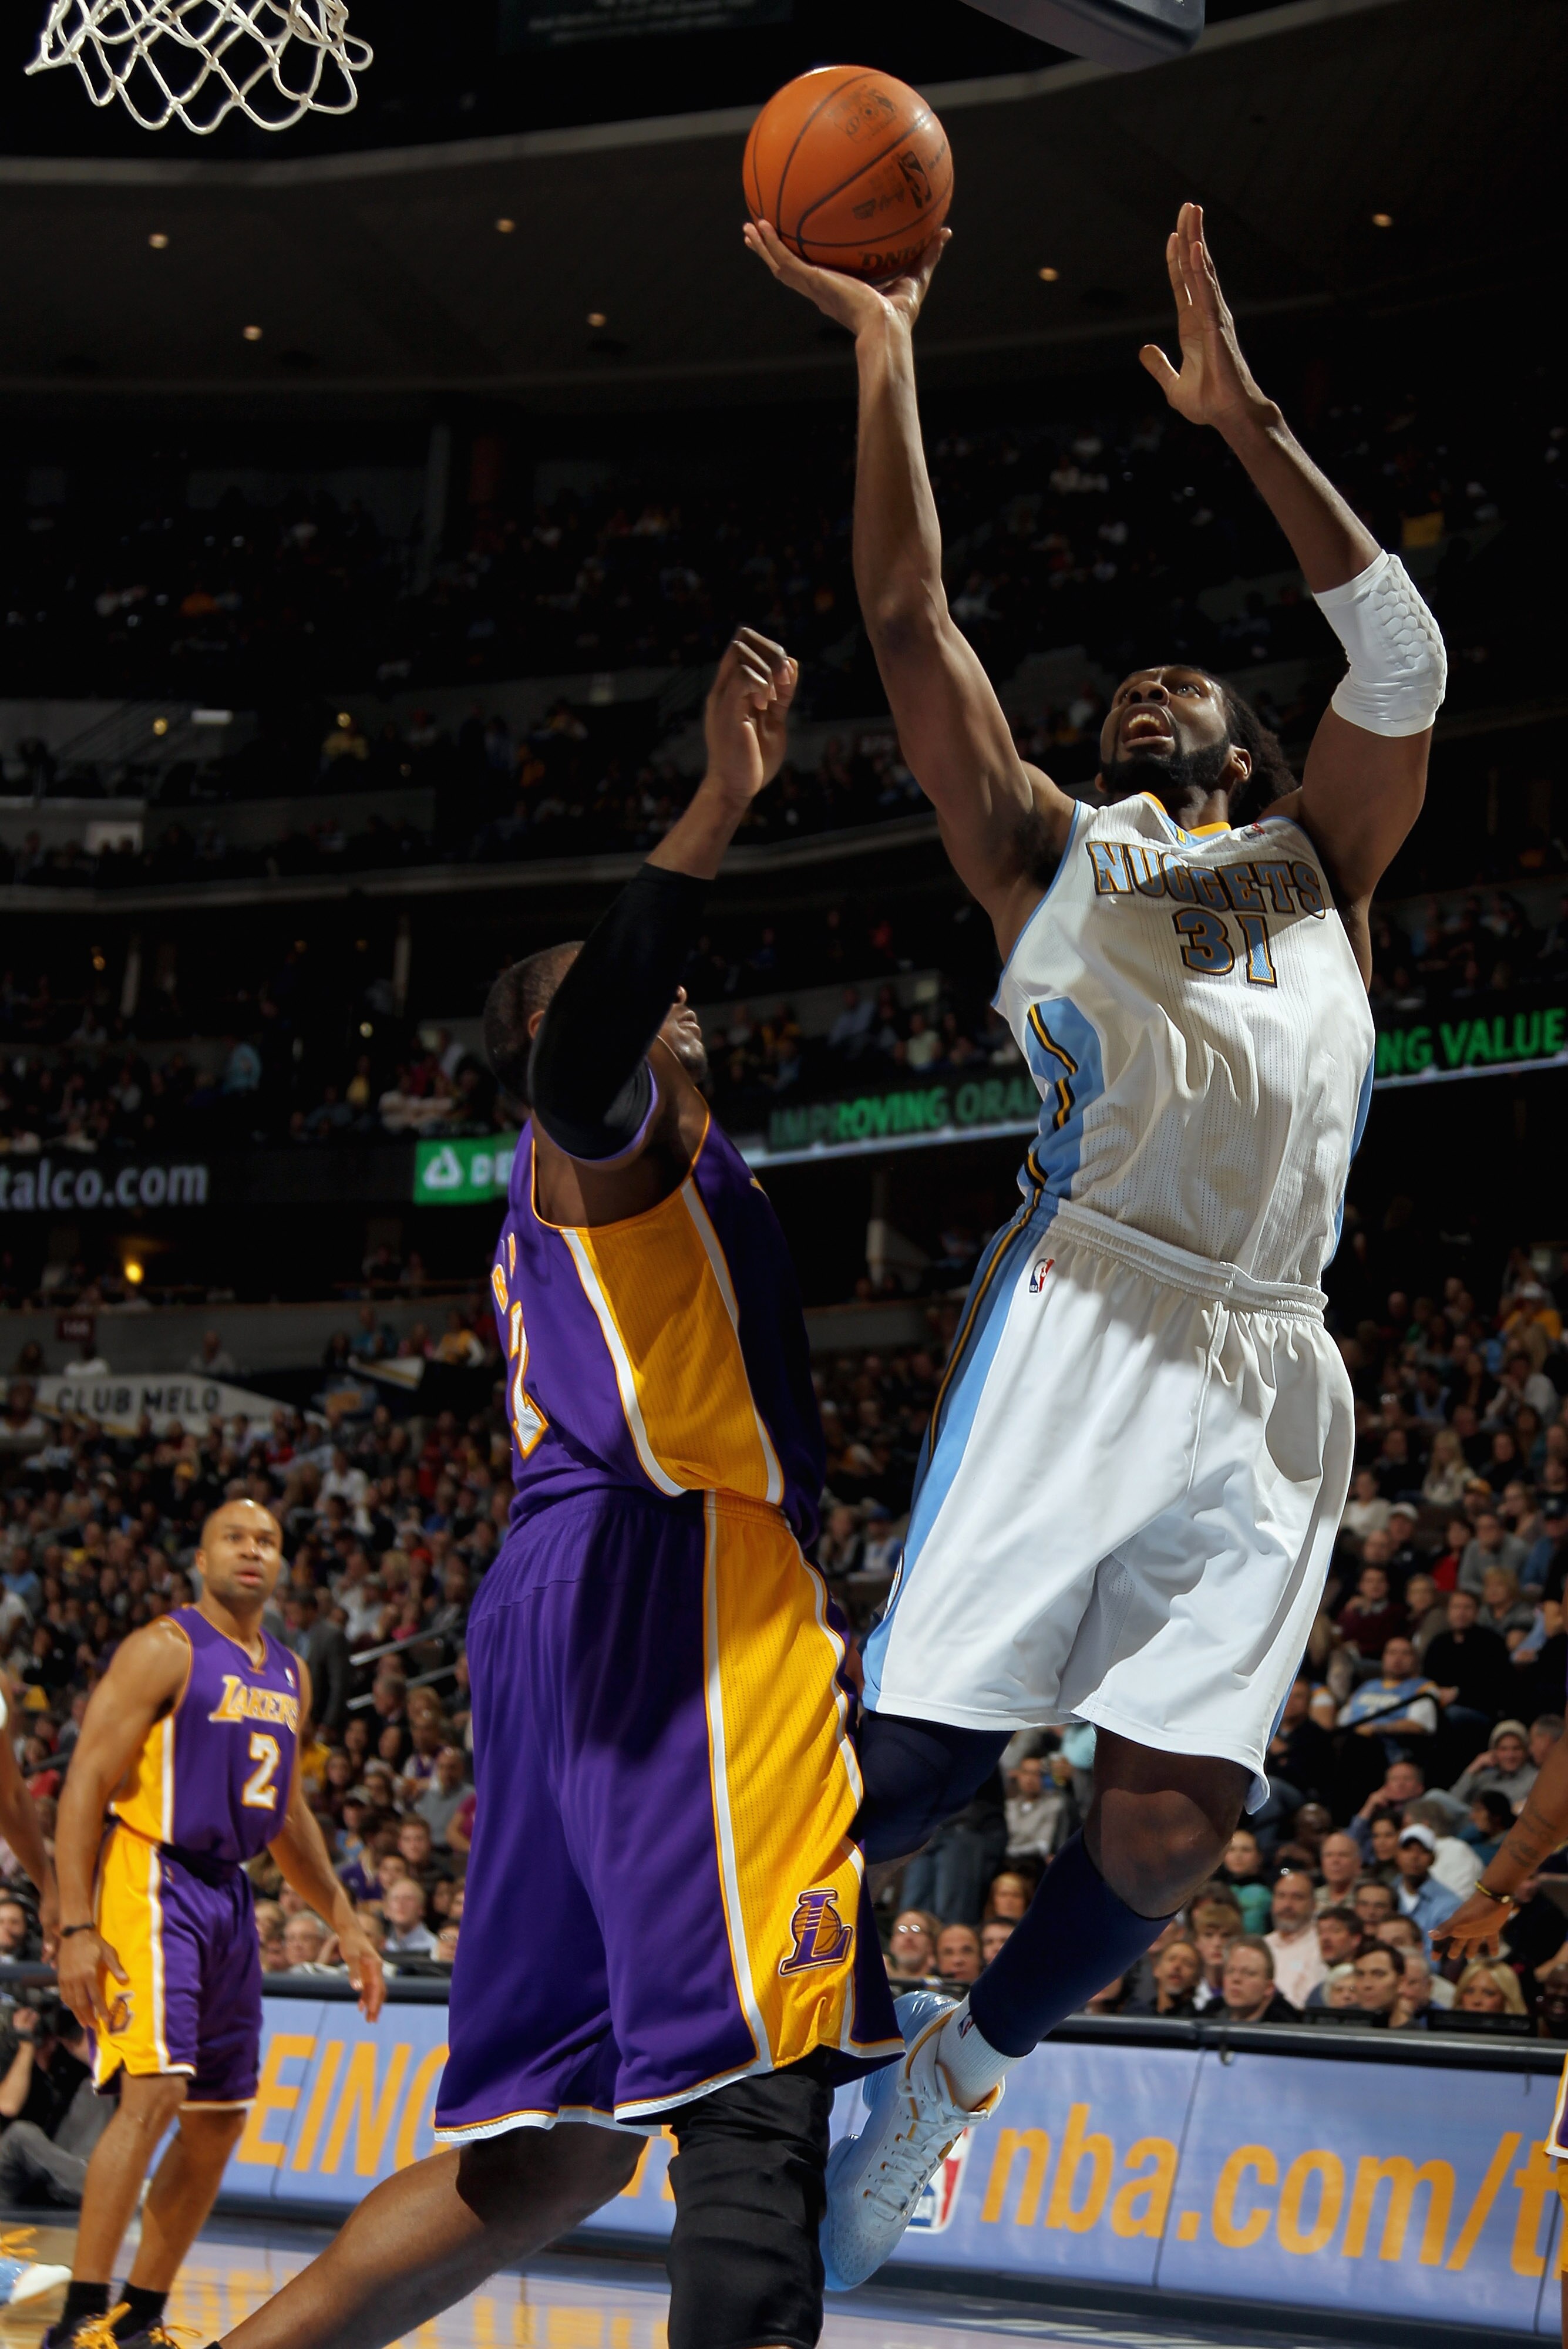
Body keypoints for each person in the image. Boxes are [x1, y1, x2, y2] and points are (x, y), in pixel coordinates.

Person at [746, 196, 1442, 2280]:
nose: (1142, 685)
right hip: (1091, 1305)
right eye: (1124, 684)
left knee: (1164, 1825)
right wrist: (882, 346)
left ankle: (942, 2085)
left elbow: (1401, 660)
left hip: (1276, 1360)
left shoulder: (1316, 867)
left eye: (1180, 680)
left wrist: (1245, 423)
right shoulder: (1057, 850)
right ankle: (719, 2025)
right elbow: (903, 619)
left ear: (1241, 748)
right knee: (905, 1762)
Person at [200, 638, 901, 2349]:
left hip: (558, 1594)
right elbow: (585, 1053)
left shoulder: (603, 1182)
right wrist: (716, 805)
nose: (675, 993)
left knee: (554, 2151)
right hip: (663, 1579)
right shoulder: (608, 1128)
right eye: (618, 986)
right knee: (760, 2059)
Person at [44, 1499, 383, 2349]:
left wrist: (345, 1920)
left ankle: (138, 2319)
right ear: (201, 1558)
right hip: (151, 1871)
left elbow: (290, 1816)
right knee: (155, 2091)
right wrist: (75, 1926)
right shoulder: (165, 1647)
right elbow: (84, 1782)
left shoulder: (291, 1673)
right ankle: (79, 2319)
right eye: (234, 1538)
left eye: (266, 1540)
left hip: (230, 1893)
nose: (251, 1550)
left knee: (221, 2117)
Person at [1264, 1871, 1328, 2010]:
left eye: (1297, 1897)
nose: (1287, 1905)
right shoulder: (1263, 1945)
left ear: (1314, 1905)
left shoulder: (1322, 1946)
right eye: (1281, 1896)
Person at [1392, 1825, 1462, 1951]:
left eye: (1423, 1851)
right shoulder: (1386, 1893)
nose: (1414, 1856)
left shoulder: (1449, 1903)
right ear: (1397, 1854)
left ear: (1433, 1859)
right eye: (1408, 1849)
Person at [1219, 1937, 1297, 2025]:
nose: (1236, 1979)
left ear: (1269, 1987)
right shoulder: (1210, 2016)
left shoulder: (1288, 2028)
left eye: (1248, 1973)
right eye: (1230, 1971)